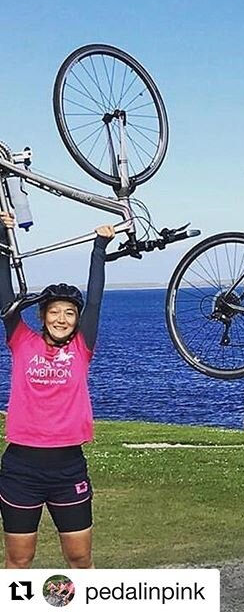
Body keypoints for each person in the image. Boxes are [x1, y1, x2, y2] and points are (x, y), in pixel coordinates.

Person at [0, 210, 115, 568]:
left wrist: (100, 247)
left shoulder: (82, 348)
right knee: (19, 560)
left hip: (69, 469)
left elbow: (95, 300)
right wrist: (3, 239)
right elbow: (5, 299)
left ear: (77, 320)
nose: (62, 318)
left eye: (69, 313)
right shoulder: (22, 341)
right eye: (54, 312)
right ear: (43, 316)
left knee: (80, 558)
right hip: (21, 469)